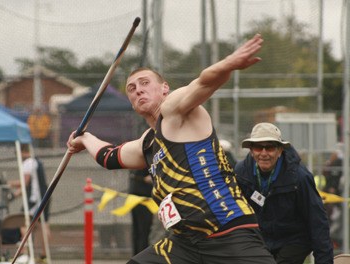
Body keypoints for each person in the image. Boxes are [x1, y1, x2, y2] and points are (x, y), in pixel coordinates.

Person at [68, 34, 276, 264]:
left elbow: (205, 81)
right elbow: (109, 157)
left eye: (145, 83)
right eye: (131, 88)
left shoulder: (175, 109)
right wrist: (85, 138)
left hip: (227, 232)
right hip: (184, 244)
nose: (138, 90)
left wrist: (229, 63)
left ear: (164, 88)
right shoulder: (146, 143)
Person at [234, 122, 333, 264]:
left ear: (280, 150)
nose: (263, 153)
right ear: (251, 150)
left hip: (294, 239)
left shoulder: (299, 177)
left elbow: (317, 220)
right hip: (259, 239)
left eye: (269, 147)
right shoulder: (241, 173)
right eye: (258, 147)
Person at [7, 144, 50, 260]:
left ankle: (25, 252)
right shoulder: (36, 162)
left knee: (23, 222)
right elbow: (27, 183)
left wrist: (11, 189)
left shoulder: (27, 163)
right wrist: (12, 190)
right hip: (45, 196)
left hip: (34, 199)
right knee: (43, 224)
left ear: (21, 152)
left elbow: (24, 183)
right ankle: (44, 255)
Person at [128, 169, 153, 255]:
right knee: (143, 230)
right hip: (143, 197)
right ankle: (141, 257)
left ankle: (137, 256)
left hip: (135, 195)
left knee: (138, 230)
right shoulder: (147, 158)